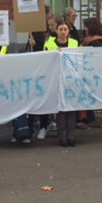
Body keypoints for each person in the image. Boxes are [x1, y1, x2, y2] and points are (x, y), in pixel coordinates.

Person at [45, 21, 79, 147]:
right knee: (60, 109)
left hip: (70, 79)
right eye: (61, 29)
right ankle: (62, 137)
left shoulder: (74, 43)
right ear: (56, 31)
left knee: (71, 108)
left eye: (65, 29)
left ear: (69, 31)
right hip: (57, 79)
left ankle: (71, 136)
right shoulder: (49, 44)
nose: (63, 31)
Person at [29, 13, 62, 141]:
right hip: (47, 72)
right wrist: (35, 45)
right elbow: (42, 52)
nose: (50, 27)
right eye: (49, 25)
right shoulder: (46, 37)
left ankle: (57, 125)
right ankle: (43, 125)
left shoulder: (59, 36)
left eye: (52, 25)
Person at [82, 17, 102, 129]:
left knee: (95, 95)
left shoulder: (93, 42)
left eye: (86, 26)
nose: (85, 29)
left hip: (95, 72)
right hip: (100, 72)